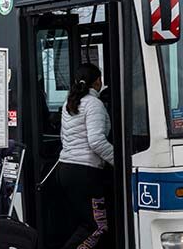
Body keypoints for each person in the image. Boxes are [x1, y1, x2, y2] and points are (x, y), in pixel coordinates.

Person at [57, 63, 113, 249]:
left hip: (67, 169)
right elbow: (96, 141)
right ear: (97, 81)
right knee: (98, 226)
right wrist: (119, 160)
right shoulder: (94, 104)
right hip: (85, 173)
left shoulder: (69, 103)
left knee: (84, 222)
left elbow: (64, 136)